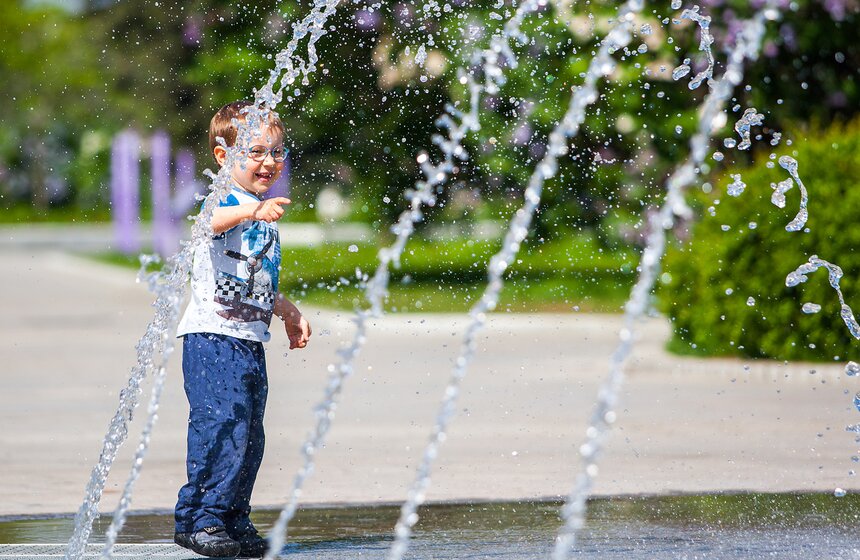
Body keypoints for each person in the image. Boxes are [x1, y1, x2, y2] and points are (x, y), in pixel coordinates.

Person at [173, 100, 312, 558]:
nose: (268, 162)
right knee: (220, 426)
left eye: (276, 152)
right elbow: (206, 226)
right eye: (255, 152)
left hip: (249, 343)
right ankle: (199, 518)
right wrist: (250, 213)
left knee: (250, 435)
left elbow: (255, 281)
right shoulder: (224, 200)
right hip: (212, 340)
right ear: (222, 156)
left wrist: (287, 310)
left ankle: (233, 515)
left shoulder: (262, 214)